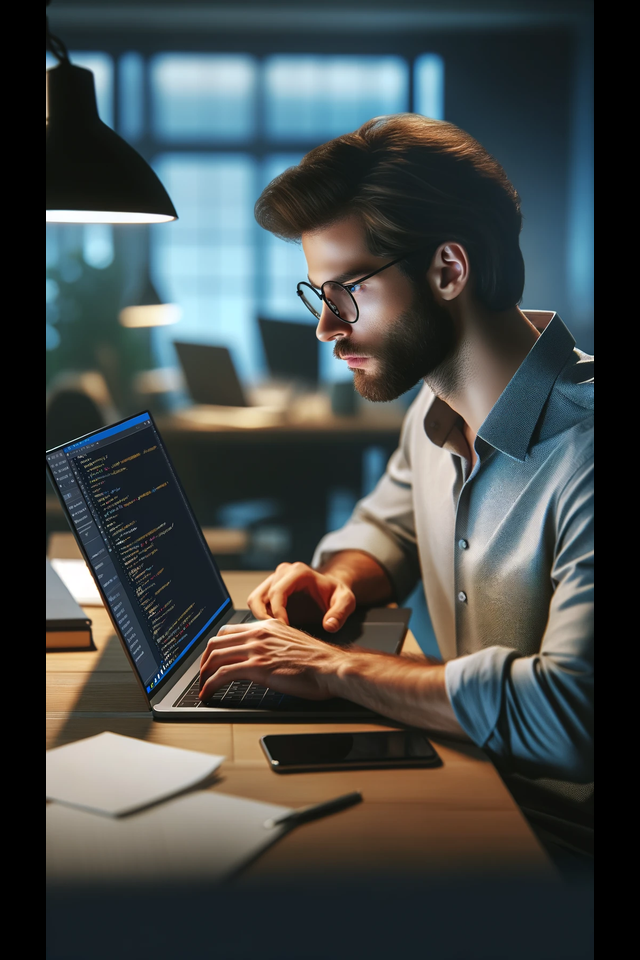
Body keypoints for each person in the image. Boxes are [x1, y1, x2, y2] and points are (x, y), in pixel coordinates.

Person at [199, 114, 594, 868]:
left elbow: (569, 718)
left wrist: (334, 667)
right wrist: (339, 578)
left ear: (448, 270)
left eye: (345, 292)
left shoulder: (587, 456)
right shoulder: (434, 409)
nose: (325, 327)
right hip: (474, 783)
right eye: (318, 294)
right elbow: (392, 528)